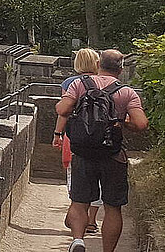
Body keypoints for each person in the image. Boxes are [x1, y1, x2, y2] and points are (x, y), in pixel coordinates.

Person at [54, 49, 148, 252]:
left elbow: (62, 110)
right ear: (121, 69)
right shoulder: (126, 92)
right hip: (112, 155)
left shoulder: (79, 84)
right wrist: (121, 121)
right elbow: (140, 124)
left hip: (83, 154)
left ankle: (78, 240)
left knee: (79, 202)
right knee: (113, 207)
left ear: (98, 65)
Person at [58, 49, 103, 235]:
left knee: (75, 177)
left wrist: (57, 134)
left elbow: (64, 111)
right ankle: (92, 221)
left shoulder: (70, 83)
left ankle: (77, 215)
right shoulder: (105, 82)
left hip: (76, 136)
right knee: (98, 180)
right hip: (101, 137)